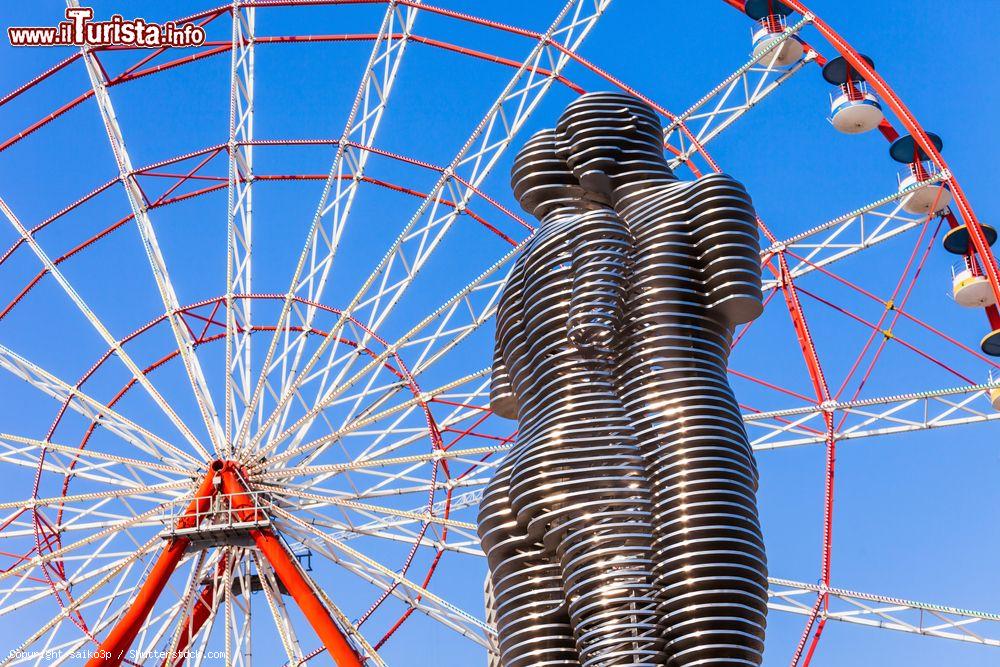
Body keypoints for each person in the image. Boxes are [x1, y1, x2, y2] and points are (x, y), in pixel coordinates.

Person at [555, 92, 768, 667]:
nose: (572, 156)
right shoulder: (581, 241)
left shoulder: (707, 195)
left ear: (629, 127)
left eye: (579, 136)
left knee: (688, 634)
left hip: (662, 425)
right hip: (636, 435)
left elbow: (737, 300)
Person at [479, 128, 663, 667]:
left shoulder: (513, 279)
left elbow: (504, 395)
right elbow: (593, 329)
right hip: (587, 455)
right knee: (622, 645)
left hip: (514, 476)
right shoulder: (598, 228)